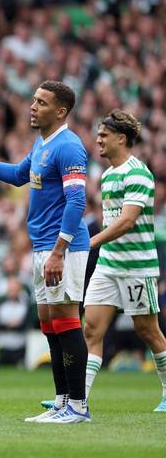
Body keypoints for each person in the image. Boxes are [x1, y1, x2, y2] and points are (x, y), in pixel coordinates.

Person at [0, 80, 91, 423]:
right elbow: (17, 175)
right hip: (43, 246)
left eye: (41, 103)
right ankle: (62, 401)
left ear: (60, 111)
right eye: (33, 100)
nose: (32, 106)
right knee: (49, 322)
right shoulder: (43, 143)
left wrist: (60, 249)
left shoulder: (69, 147)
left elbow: (77, 200)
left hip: (64, 247)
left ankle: (78, 405)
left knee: (67, 320)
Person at [82, 110, 166, 412]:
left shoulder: (138, 173)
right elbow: (114, 221)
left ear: (121, 138)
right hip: (108, 265)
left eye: (104, 135)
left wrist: (90, 242)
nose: (98, 140)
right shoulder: (107, 175)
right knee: (91, 329)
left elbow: (127, 221)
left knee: (148, 332)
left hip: (136, 267)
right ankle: (80, 401)